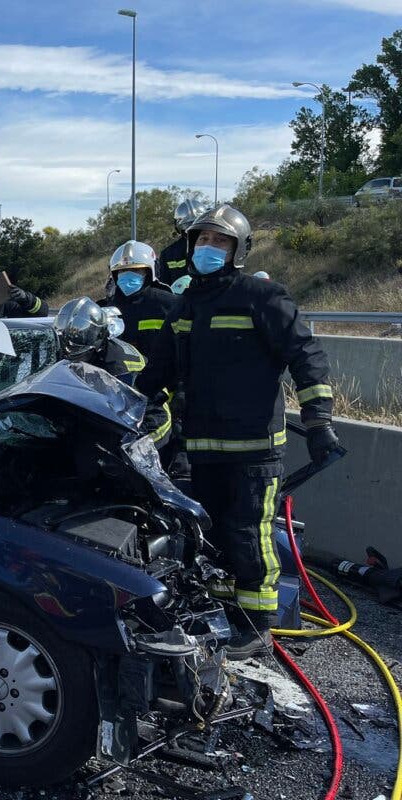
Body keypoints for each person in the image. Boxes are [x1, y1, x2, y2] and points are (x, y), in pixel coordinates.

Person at [137, 204, 339, 660]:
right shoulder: (187, 306)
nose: (209, 249)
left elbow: (307, 355)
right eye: (203, 241)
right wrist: (127, 402)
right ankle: (226, 614)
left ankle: (258, 627)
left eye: (220, 241)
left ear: (238, 250)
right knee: (213, 536)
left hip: (254, 449)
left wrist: (319, 420)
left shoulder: (263, 297)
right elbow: (159, 371)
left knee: (249, 533)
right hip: (202, 449)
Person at [100, 241, 179, 461]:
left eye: (135, 271)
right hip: (116, 396)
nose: (127, 277)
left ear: (149, 271)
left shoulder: (169, 304)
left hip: (164, 395)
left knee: (173, 455)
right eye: (122, 271)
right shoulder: (105, 309)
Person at [53, 296, 145, 383]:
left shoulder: (115, 365)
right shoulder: (62, 347)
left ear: (99, 335)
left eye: (81, 335)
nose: (68, 350)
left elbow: (117, 397)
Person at [157, 198, 207, 286]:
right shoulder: (168, 254)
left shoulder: (215, 248)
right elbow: (164, 286)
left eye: (197, 228)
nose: (193, 233)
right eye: (188, 228)